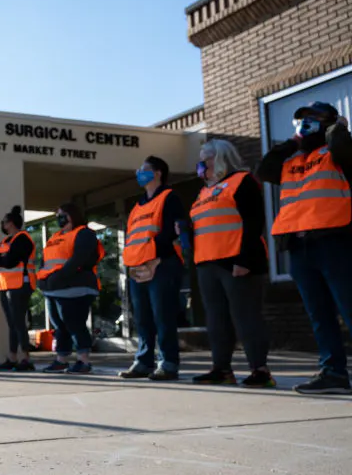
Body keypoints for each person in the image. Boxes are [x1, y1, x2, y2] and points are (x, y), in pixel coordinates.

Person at [256, 101, 352, 395]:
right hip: (300, 247)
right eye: (301, 120)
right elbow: (264, 169)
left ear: (328, 123)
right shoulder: (290, 161)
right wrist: (292, 143)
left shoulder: (335, 152)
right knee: (319, 315)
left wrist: (338, 130)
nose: (305, 123)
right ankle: (333, 372)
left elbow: (346, 153)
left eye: (312, 119)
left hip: (335, 243)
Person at [188, 139, 274, 388]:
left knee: (246, 317)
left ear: (222, 157)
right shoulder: (203, 191)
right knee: (216, 320)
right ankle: (221, 369)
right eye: (201, 156)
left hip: (237, 261)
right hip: (207, 263)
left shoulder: (241, 181)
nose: (202, 161)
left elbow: (253, 222)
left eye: (207, 156)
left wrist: (245, 259)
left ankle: (261, 370)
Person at [119, 156, 186, 381]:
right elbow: (132, 238)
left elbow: (171, 231)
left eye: (144, 169)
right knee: (143, 318)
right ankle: (144, 361)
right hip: (138, 267)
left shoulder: (170, 197)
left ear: (158, 173)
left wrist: (154, 258)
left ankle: (168, 363)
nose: (139, 172)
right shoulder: (137, 206)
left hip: (162, 264)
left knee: (163, 315)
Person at [37, 203, 105, 374]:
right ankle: (61, 360)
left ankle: (83, 361)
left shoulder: (84, 233)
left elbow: (80, 259)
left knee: (74, 324)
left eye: (63, 214)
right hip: (54, 288)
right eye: (58, 214)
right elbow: (44, 262)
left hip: (76, 287)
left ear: (73, 215)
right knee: (59, 325)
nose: (60, 218)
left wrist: (59, 277)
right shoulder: (54, 237)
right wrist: (43, 279)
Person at [0, 206, 37, 372]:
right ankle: (12, 357)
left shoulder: (22, 238)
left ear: (10, 223)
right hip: (4, 285)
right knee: (12, 323)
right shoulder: (5, 242)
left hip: (19, 285)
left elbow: (10, 260)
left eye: (4, 222)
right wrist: (1, 258)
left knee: (18, 322)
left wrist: (0, 258)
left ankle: (25, 357)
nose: (2, 225)